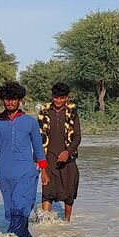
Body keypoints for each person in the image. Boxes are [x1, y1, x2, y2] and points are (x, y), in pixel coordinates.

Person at [0, 80, 49, 237]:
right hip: (5, 173)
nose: (10, 102)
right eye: (7, 99)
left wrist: (44, 171)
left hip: (26, 172)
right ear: (2, 100)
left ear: (19, 100)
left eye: (14, 99)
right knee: (12, 209)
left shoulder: (30, 122)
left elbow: (38, 147)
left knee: (21, 206)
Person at [37, 82, 81, 222]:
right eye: (56, 97)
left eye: (62, 98)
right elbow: (38, 137)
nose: (58, 100)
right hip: (48, 157)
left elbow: (77, 137)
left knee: (69, 191)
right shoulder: (44, 112)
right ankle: (45, 224)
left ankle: (67, 222)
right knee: (47, 191)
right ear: (52, 97)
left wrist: (68, 151)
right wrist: (37, 157)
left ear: (67, 98)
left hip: (68, 158)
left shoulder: (72, 113)